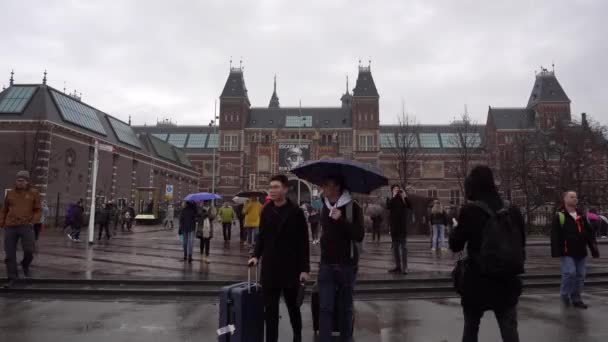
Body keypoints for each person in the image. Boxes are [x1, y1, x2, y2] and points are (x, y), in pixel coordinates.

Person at [450, 165, 526, 342]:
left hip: (477, 280)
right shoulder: (512, 210)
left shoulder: (470, 211)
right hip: (507, 280)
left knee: (471, 328)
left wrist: (456, 230)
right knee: (509, 331)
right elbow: (521, 242)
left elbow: (455, 245)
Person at [248, 174, 310, 342]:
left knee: (293, 308)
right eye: (271, 187)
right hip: (270, 268)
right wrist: (255, 256)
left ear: (285, 189)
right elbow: (262, 236)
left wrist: (304, 269)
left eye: (276, 187)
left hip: (291, 268)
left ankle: (297, 335)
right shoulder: (266, 210)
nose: (272, 190)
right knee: (270, 310)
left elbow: (303, 242)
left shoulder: (296, 212)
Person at [317, 174, 364, 342]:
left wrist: (341, 220)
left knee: (345, 308)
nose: (323, 189)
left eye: (326, 185)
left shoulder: (353, 207)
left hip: (346, 265)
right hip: (326, 264)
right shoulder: (324, 206)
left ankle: (347, 339)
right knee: (325, 308)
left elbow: (359, 235)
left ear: (336, 187)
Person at [551, 191, 599, 309]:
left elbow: (590, 233)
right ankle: (564, 294)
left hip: (581, 251)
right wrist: (556, 251)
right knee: (570, 273)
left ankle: (576, 298)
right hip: (567, 251)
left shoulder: (582, 215)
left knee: (580, 275)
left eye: (575, 197)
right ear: (565, 199)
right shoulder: (560, 215)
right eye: (571, 197)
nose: (574, 199)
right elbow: (555, 235)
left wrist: (594, 249)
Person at [1, 171, 42, 288]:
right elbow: (4, 209)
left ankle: (25, 264)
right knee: (9, 254)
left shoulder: (34, 193)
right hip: (10, 226)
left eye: (22, 180)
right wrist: (2, 223)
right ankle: (12, 278)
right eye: (18, 180)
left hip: (26, 226)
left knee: (29, 250)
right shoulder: (10, 193)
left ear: (27, 181)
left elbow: (38, 210)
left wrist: (32, 221)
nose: (20, 182)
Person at [386, 184, 410, 274]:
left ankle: (405, 267)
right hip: (394, 227)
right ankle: (398, 266)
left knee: (403, 248)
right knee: (395, 248)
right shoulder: (390, 199)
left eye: (398, 189)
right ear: (392, 190)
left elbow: (410, 206)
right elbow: (388, 206)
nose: (396, 190)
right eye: (395, 189)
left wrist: (405, 196)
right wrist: (393, 196)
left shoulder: (402, 199)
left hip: (402, 227)